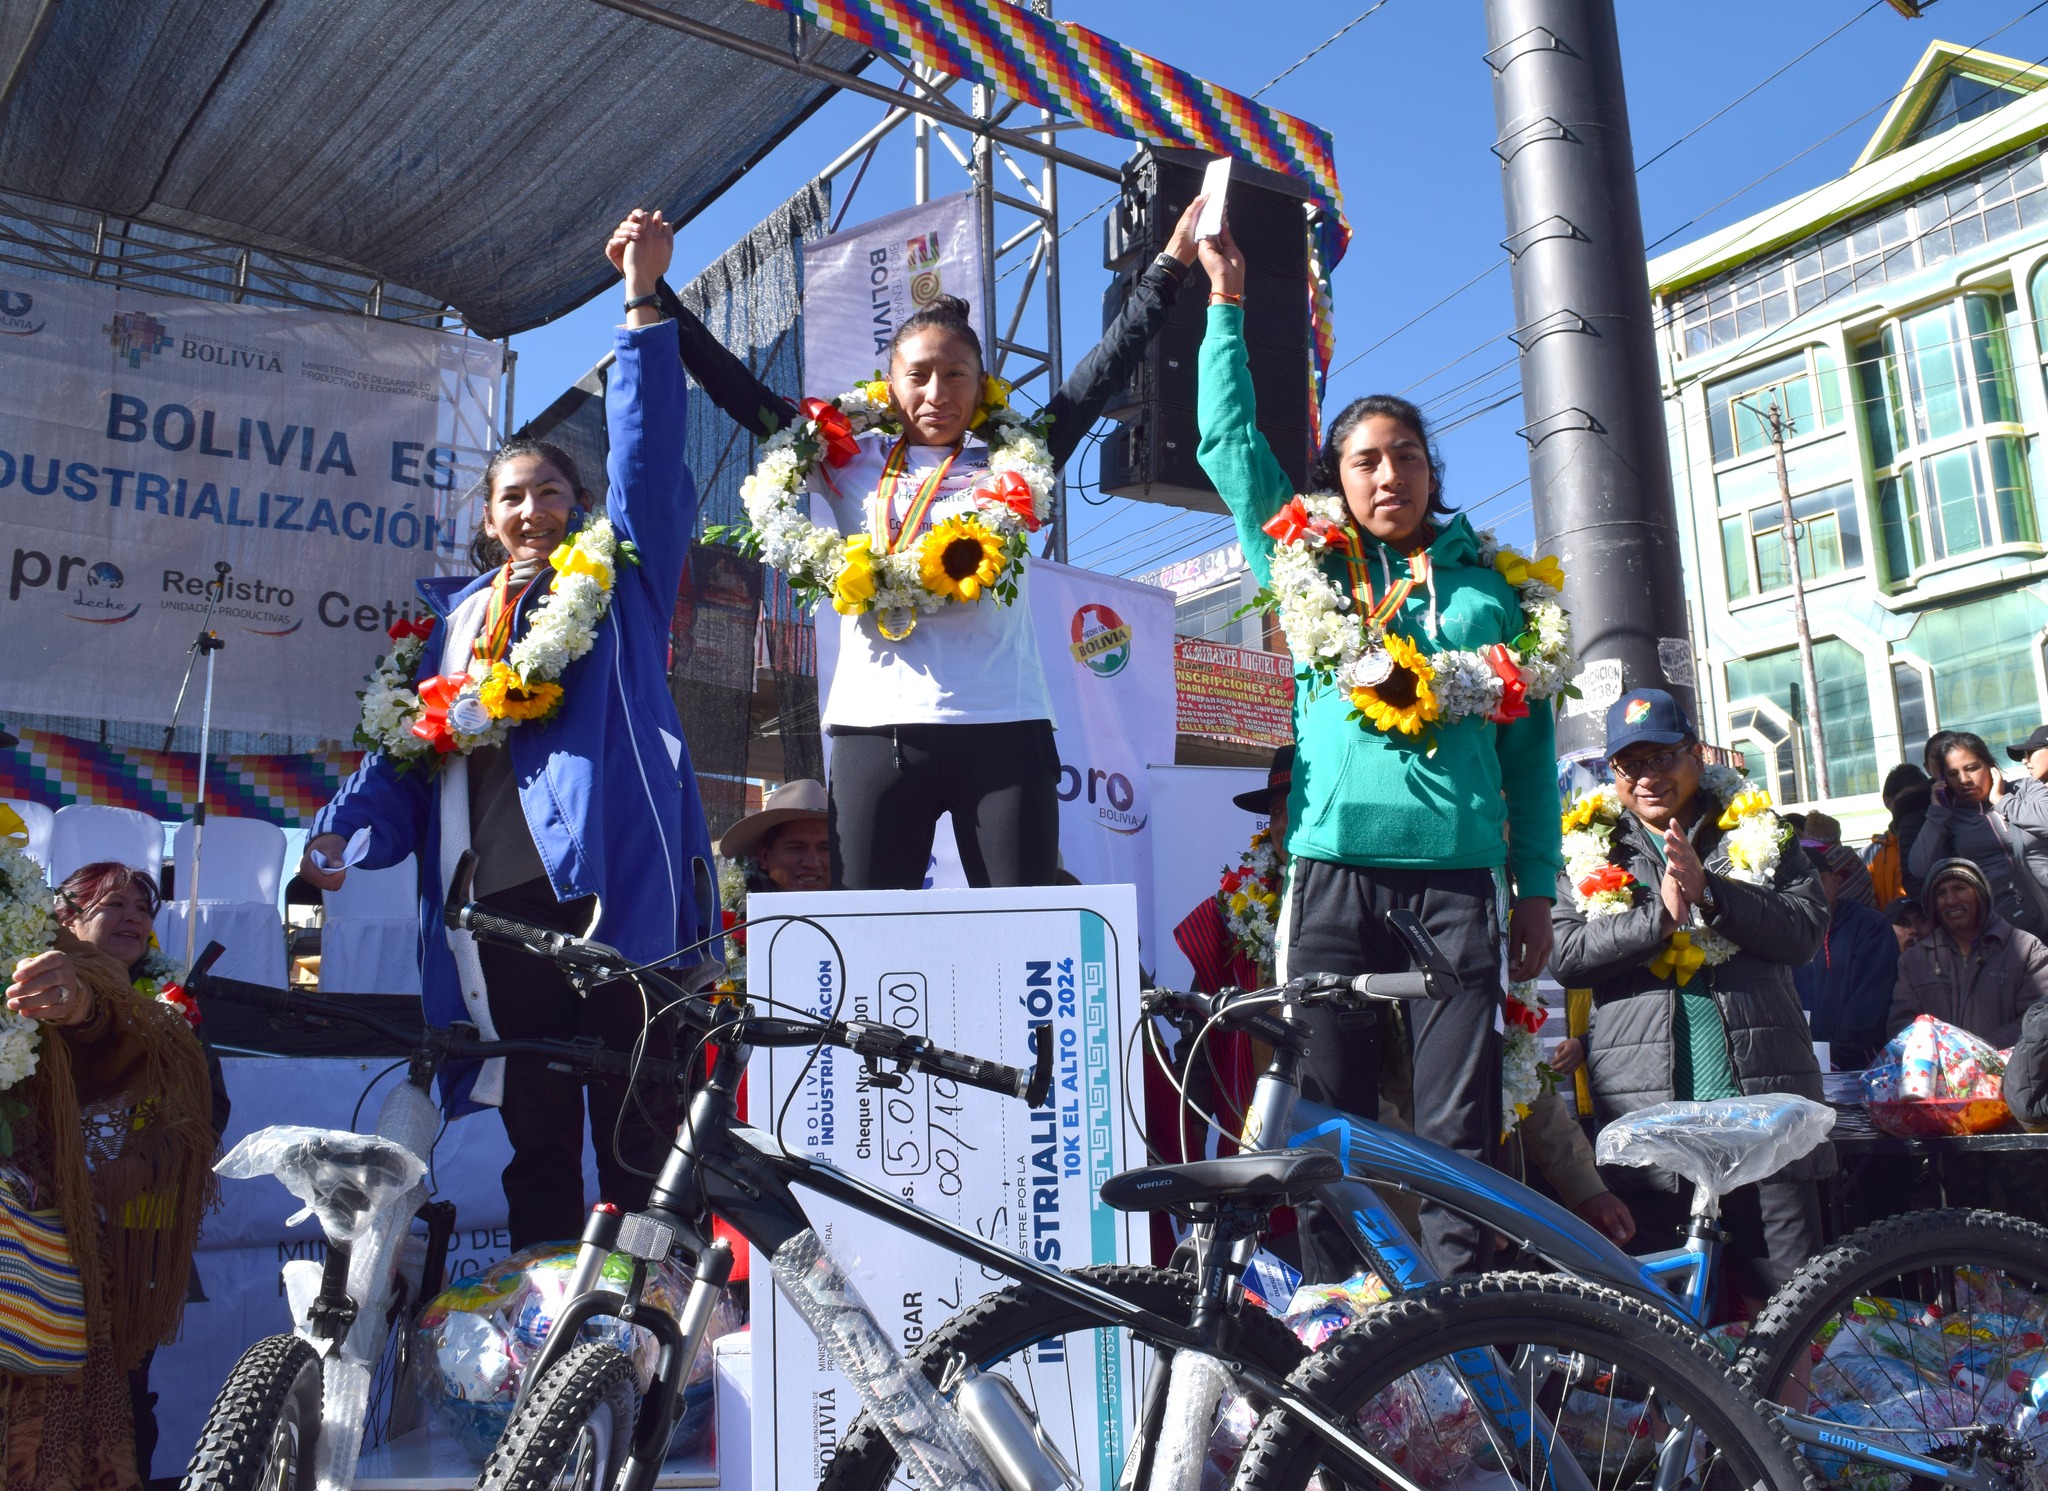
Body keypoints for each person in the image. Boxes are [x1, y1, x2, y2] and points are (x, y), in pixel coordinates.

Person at [302, 211, 718, 1250]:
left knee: (638, 1119)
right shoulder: (444, 629)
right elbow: (401, 758)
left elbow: (648, 459)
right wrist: (342, 833)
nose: (532, 511)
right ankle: (545, 1313)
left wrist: (640, 303)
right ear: (487, 519)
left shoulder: (617, 588)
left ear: (579, 506)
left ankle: (652, 1312)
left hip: (616, 892)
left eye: (550, 494)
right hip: (495, 908)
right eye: (512, 498)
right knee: (537, 1131)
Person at [642, 199, 1213, 891]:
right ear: (890, 385)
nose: (937, 392)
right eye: (918, 375)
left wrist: (1171, 265)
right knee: (869, 935)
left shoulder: (1018, 457)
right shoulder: (842, 455)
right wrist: (653, 288)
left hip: (1004, 724)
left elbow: (1102, 372)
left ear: (982, 386)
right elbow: (739, 391)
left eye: (956, 375)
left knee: (1025, 928)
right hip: (874, 728)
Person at [1195, 217, 1564, 1279]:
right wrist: (1225, 303)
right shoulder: (1304, 563)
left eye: (1405, 455)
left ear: (1431, 471)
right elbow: (1229, 446)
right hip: (1333, 871)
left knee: (1458, 1122)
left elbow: (1529, 755)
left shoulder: (1495, 589)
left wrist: (1535, 888)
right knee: (1324, 1115)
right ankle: (1334, 1314)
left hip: (1457, 876)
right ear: (1338, 479)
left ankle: (1458, 1321)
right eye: (1365, 460)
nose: (1387, 473)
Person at [1550, 690, 1831, 1308]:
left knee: (1793, 1309)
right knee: (1666, 1320)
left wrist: (1712, 894)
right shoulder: (1585, 844)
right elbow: (1565, 956)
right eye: (1631, 764)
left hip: (1762, 1112)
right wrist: (1660, 917)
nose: (1648, 777)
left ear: (1697, 756)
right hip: (1650, 1120)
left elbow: (1805, 932)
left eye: (1663, 758)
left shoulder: (1757, 829)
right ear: (1614, 773)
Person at [2, 866, 215, 1491]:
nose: (133, 918)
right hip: (49, 1229)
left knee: (122, 1394)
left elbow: (206, 1114)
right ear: (64, 918)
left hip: (132, 1234)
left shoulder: (169, 1005)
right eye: (113, 904)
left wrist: (141, 1169)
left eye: (142, 909)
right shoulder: (43, 962)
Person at [1889, 857, 2048, 1048]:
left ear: (1981, 895)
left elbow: (2038, 1019)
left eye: (1960, 888)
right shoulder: (1913, 960)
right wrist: (1943, 1055)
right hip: (1937, 1066)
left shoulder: (2027, 949)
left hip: (2010, 1064)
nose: (1951, 900)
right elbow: (1901, 1025)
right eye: (1941, 893)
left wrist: (1980, 1050)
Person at [1792, 839, 1900, 1071]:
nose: (1811, 888)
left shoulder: (1869, 925)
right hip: (1796, 1065)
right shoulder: (1782, 934)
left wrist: (1836, 1055)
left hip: (1858, 1066)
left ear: (1835, 880)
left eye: (1818, 878)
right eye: (1799, 882)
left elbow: (1872, 998)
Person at [1909, 732, 2031, 928]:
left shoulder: (2024, 791)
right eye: (1953, 774)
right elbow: (1920, 869)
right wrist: (1937, 816)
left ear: (1990, 765)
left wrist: (2002, 801)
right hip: (2001, 926)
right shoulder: (1947, 818)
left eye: (1971, 768)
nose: (1964, 780)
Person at [719, 779, 830, 895]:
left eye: (825, 849)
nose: (812, 863)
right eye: (797, 848)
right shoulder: (741, 905)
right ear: (764, 856)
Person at [1868, 763, 1931, 904]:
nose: (1917, 803)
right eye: (1908, 799)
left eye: (1922, 797)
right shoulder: (1869, 857)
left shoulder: (1939, 836)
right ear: (1888, 803)